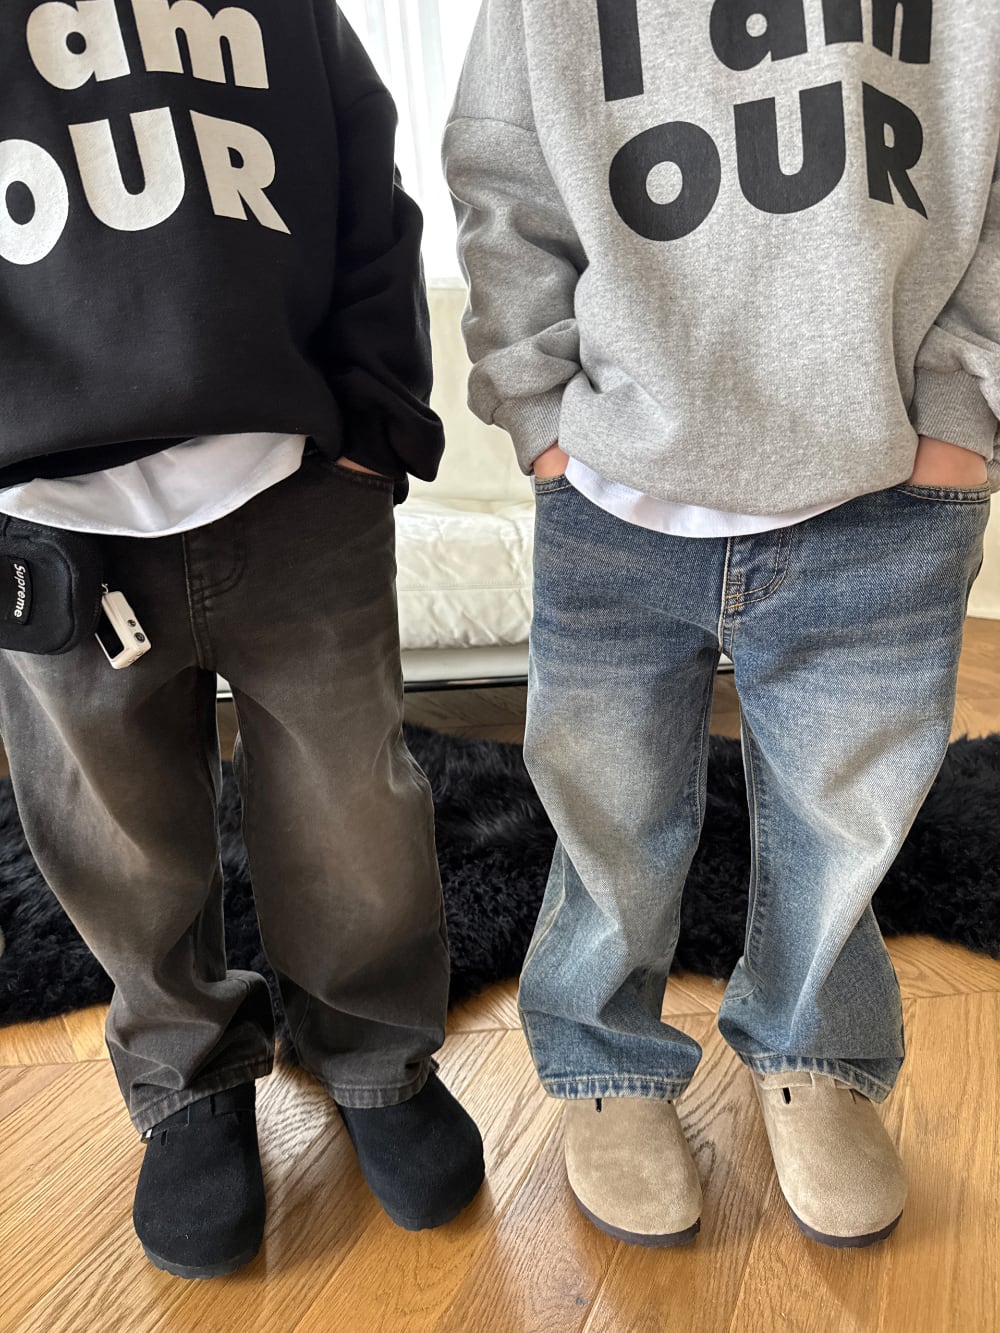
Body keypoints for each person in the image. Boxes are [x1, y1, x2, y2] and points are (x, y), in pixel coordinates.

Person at [445, 0, 998, 1249]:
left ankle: (814, 1056)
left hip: (886, 481)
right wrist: (536, 404)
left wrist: (964, 404)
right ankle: (603, 1062)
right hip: (614, 481)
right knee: (607, 809)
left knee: (844, 820)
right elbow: (502, 165)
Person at [0, 0, 484, 1279]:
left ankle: (372, 1052)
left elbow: (368, 182)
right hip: (45, 517)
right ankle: (187, 1075)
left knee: (353, 806)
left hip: (297, 486)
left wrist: (376, 421)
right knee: (113, 827)